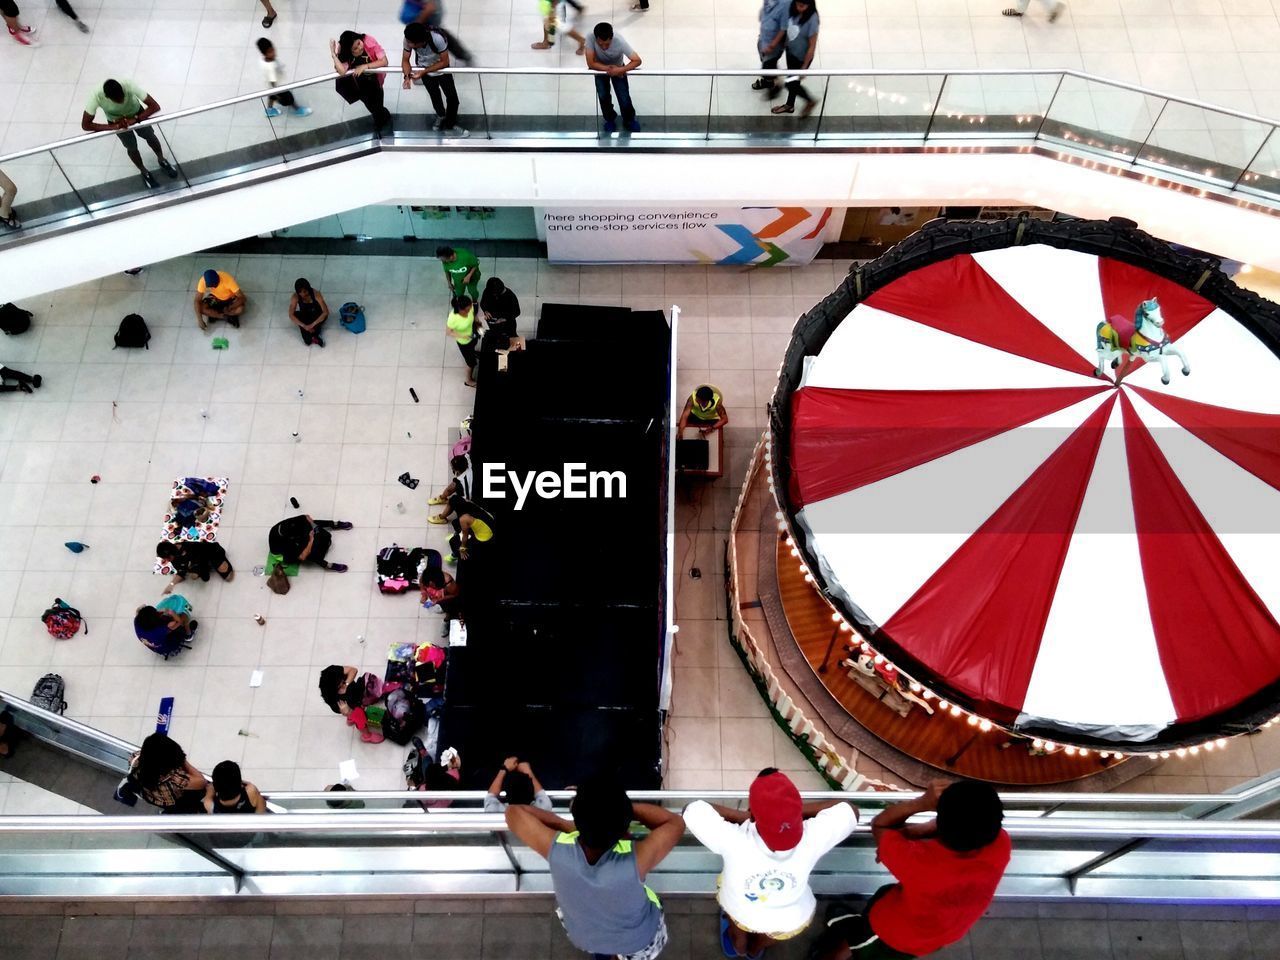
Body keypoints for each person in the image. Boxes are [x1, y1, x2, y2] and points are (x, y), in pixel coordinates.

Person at [813, 781, 1010, 960]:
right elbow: (956, 829)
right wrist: (898, 841)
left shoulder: (920, 863)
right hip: (944, 930)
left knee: (860, 943)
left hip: (894, 932)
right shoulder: (1001, 844)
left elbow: (880, 824)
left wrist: (922, 802)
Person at [683, 768, 859, 958]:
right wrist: (793, 814)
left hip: (743, 909)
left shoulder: (734, 838)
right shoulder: (814, 835)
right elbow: (851, 810)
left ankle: (740, 948)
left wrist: (748, 818)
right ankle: (754, 951)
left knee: (738, 930)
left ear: (752, 815)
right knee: (773, 934)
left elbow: (691, 809)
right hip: (791, 917)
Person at [505, 775, 684, 960]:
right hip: (637, 941)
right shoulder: (636, 861)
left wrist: (563, 823)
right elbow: (675, 823)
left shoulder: (557, 850)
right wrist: (621, 808)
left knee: (602, 943)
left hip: (586, 939)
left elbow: (513, 812)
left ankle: (607, 951)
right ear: (625, 829)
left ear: (576, 816)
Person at [81, 79, 178, 189]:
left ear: (123, 90)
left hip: (137, 113)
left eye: (122, 97)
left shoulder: (128, 84)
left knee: (150, 136)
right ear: (108, 97)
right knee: (131, 147)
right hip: (115, 121)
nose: (121, 101)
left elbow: (155, 106)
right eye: (117, 100)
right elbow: (86, 125)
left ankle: (162, 159)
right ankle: (144, 171)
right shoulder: (96, 96)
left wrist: (135, 119)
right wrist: (114, 126)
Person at [402, 21, 468, 138]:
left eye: (411, 43)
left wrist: (424, 71)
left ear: (419, 42)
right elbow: (405, 60)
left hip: (442, 70)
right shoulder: (408, 40)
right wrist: (407, 77)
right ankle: (441, 115)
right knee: (434, 95)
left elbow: (444, 61)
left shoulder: (438, 38)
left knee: (452, 99)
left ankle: (450, 125)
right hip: (425, 70)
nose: (407, 43)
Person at [128, 733, 208, 813]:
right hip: (174, 802)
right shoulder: (173, 778)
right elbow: (202, 782)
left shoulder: (135, 758)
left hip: (151, 797)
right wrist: (182, 759)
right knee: (201, 793)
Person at [585, 22, 642, 135]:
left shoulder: (619, 40)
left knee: (624, 96)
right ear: (596, 38)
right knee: (603, 96)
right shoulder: (590, 38)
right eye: (600, 44)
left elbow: (637, 60)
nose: (604, 47)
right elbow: (591, 63)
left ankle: (629, 119)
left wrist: (619, 70)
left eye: (607, 44)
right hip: (600, 70)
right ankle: (610, 119)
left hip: (619, 69)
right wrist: (609, 68)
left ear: (612, 38)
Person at [331, 30, 392, 133]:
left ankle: (383, 119)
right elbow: (342, 71)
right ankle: (381, 119)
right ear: (349, 51)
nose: (360, 47)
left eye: (359, 43)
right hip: (360, 86)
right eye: (355, 48)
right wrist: (333, 54)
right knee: (371, 106)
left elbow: (384, 61)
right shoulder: (345, 53)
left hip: (375, 81)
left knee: (378, 104)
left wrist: (365, 66)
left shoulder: (368, 41)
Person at [769, 0, 819, 119]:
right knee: (793, 82)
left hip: (802, 58)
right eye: (797, 4)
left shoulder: (812, 19)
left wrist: (804, 67)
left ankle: (810, 101)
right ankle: (789, 105)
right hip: (790, 52)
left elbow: (812, 46)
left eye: (802, 5)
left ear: (809, 5)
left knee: (790, 84)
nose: (798, 8)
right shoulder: (792, 9)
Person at [269, 514, 353, 572]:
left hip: (291, 537)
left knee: (311, 524)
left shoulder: (287, 524)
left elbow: (306, 517)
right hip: (282, 555)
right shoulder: (287, 545)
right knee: (309, 554)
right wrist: (311, 540)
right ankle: (329, 566)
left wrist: (314, 527)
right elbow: (302, 556)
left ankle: (334, 524)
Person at [257, 38, 312, 118]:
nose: (273, 53)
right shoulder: (271, 67)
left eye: (273, 49)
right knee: (289, 98)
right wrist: (278, 95)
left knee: (271, 96)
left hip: (269, 86)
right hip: (278, 87)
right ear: (264, 54)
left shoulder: (264, 61)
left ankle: (269, 110)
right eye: (270, 52)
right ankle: (298, 109)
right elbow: (274, 83)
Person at [156, 540, 234, 592]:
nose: (167, 560)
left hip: (211, 553)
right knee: (194, 576)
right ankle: (206, 568)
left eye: (167, 557)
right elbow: (181, 572)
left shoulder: (189, 546)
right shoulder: (174, 559)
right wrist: (171, 585)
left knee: (228, 578)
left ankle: (216, 564)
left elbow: (210, 549)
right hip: (198, 563)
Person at [484, 756, 552, 812]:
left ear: (507, 795)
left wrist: (504, 769)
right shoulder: (543, 810)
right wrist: (528, 771)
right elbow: (540, 794)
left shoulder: (494, 811)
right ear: (532, 792)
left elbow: (490, 795)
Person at [754, 0, 789, 98]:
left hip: (773, 45)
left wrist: (772, 45)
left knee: (768, 65)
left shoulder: (785, 5)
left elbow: (784, 28)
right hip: (764, 38)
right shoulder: (769, 2)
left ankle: (775, 84)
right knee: (765, 61)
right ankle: (769, 80)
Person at [428, 454, 473, 524]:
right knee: (453, 486)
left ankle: (442, 518)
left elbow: (467, 498)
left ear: (455, 469)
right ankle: (442, 498)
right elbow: (467, 455)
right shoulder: (469, 462)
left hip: (470, 502)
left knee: (453, 500)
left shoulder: (463, 482)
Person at [446, 295, 479, 387]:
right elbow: (448, 332)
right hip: (464, 342)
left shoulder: (469, 306)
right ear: (460, 309)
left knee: (474, 345)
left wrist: (478, 324)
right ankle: (468, 380)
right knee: (471, 363)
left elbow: (474, 315)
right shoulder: (453, 318)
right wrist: (463, 336)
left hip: (473, 334)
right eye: (467, 309)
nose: (469, 310)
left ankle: (473, 351)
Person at [420, 565, 462, 637]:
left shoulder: (449, 583)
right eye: (429, 585)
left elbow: (455, 594)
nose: (431, 587)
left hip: (446, 597)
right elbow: (421, 584)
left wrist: (439, 600)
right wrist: (424, 594)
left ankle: (447, 620)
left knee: (450, 608)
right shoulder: (425, 577)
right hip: (436, 597)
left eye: (433, 586)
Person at [288, 277, 329, 346]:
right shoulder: (295, 297)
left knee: (320, 321)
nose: (303, 294)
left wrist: (312, 324)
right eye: (300, 292)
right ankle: (313, 335)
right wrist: (304, 326)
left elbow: (325, 312)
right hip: (305, 315)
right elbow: (291, 315)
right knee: (307, 341)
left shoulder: (316, 294)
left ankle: (315, 335)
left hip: (317, 314)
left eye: (305, 291)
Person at [479, 276, 520, 341]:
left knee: (511, 338)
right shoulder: (488, 291)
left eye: (495, 294)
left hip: (507, 322)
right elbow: (482, 303)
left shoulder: (510, 296)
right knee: (496, 337)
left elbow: (517, 312)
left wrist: (504, 319)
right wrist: (485, 311)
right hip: (493, 320)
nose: (494, 296)